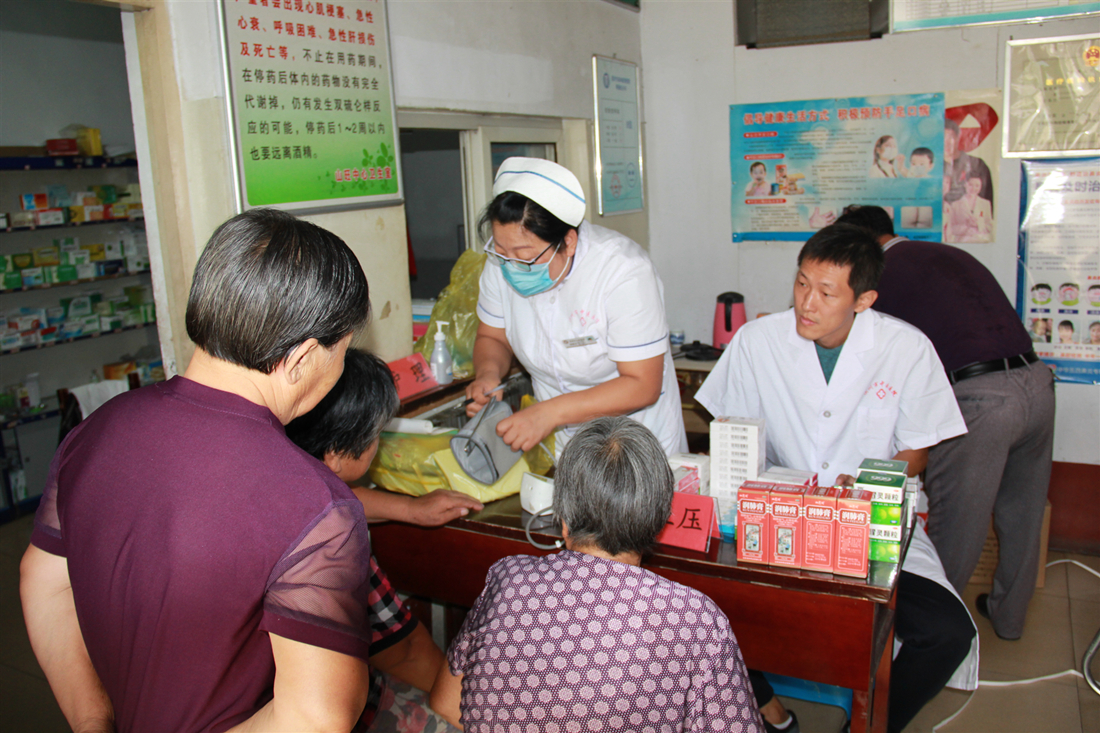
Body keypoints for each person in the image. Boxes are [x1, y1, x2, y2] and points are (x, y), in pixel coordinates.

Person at [21, 209, 382, 732]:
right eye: (343, 351)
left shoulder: (95, 431)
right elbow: (316, 717)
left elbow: (44, 582)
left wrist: (92, 719)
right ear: (303, 357)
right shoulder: (316, 505)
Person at [695, 223, 977, 733]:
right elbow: (732, 429)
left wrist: (868, 481)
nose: (807, 303)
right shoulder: (759, 340)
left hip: (869, 518)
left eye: (827, 293)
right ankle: (767, 709)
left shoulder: (906, 347)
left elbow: (917, 449)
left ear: (863, 299)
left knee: (947, 633)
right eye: (802, 283)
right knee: (704, 602)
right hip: (781, 513)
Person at [429, 416, 764, 733]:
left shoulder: (508, 580)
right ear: (659, 519)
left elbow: (446, 704)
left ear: (563, 517)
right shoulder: (695, 619)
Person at [836, 205, 1054, 643]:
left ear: (860, 242)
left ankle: (930, 639)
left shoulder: (880, 272)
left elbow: (862, 348)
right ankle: (1008, 618)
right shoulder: (945, 253)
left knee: (956, 525)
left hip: (981, 399)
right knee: (1023, 513)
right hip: (1036, 383)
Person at [285, 348, 483, 710]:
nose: (377, 444)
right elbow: (404, 650)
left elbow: (335, 495)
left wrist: (411, 509)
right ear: (336, 454)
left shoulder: (279, 472)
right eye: (376, 435)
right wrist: (463, 712)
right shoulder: (336, 539)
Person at [466, 157, 686, 456]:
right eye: (502, 251)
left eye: (526, 257)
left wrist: (549, 413)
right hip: (565, 441)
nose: (512, 265)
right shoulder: (501, 264)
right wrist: (488, 373)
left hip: (636, 440)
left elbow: (642, 384)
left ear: (568, 242)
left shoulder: (623, 270)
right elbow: (492, 336)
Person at [943, 119, 993, 208]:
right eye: (942, 138)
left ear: (958, 137)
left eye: (950, 137)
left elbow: (986, 203)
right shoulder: (930, 166)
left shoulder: (976, 165)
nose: (946, 142)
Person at [946, 174, 993, 243]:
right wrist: (966, 226)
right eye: (970, 185)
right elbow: (951, 228)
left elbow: (990, 227)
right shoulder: (955, 205)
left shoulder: (985, 204)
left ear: (981, 186)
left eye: (977, 185)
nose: (973, 188)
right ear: (965, 184)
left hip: (981, 242)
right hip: (962, 243)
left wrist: (978, 224)